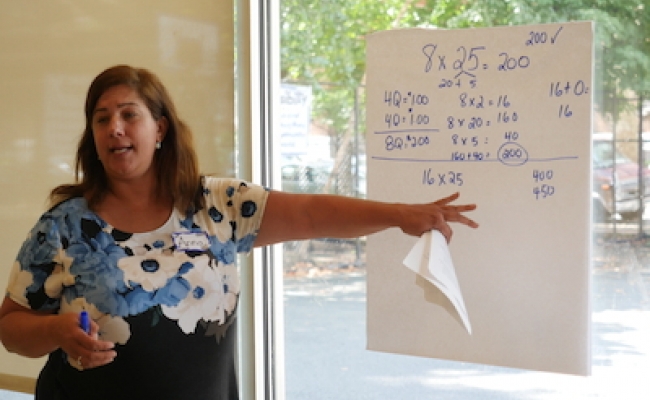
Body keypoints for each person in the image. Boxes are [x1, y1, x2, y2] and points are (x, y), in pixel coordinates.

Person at [0, 65, 478, 400]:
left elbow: (311, 214)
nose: (115, 129)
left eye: (129, 114)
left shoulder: (217, 205)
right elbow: (10, 326)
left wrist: (398, 214)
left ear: (160, 128)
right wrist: (55, 331)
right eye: (101, 119)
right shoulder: (64, 226)